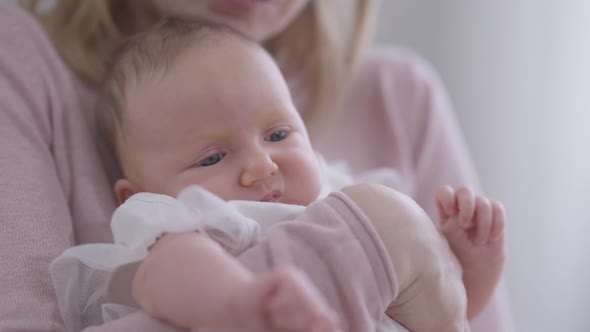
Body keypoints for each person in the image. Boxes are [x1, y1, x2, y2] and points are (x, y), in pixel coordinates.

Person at [0, 1, 512, 331]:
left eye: (279, 134)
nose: (260, 165)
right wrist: (240, 303)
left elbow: (450, 315)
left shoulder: (344, 174)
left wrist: (467, 266)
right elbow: (162, 277)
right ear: (134, 198)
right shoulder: (186, 226)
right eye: (212, 158)